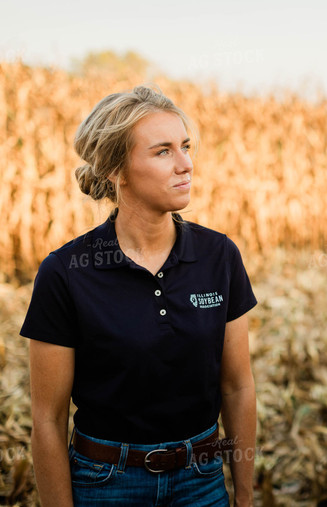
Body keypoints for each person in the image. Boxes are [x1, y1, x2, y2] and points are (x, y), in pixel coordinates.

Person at [21, 86, 258, 506]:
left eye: (185, 146)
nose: (186, 164)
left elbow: (238, 387)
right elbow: (48, 418)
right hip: (105, 484)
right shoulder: (66, 272)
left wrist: (243, 497)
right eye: (163, 151)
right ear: (118, 170)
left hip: (201, 482)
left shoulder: (218, 256)